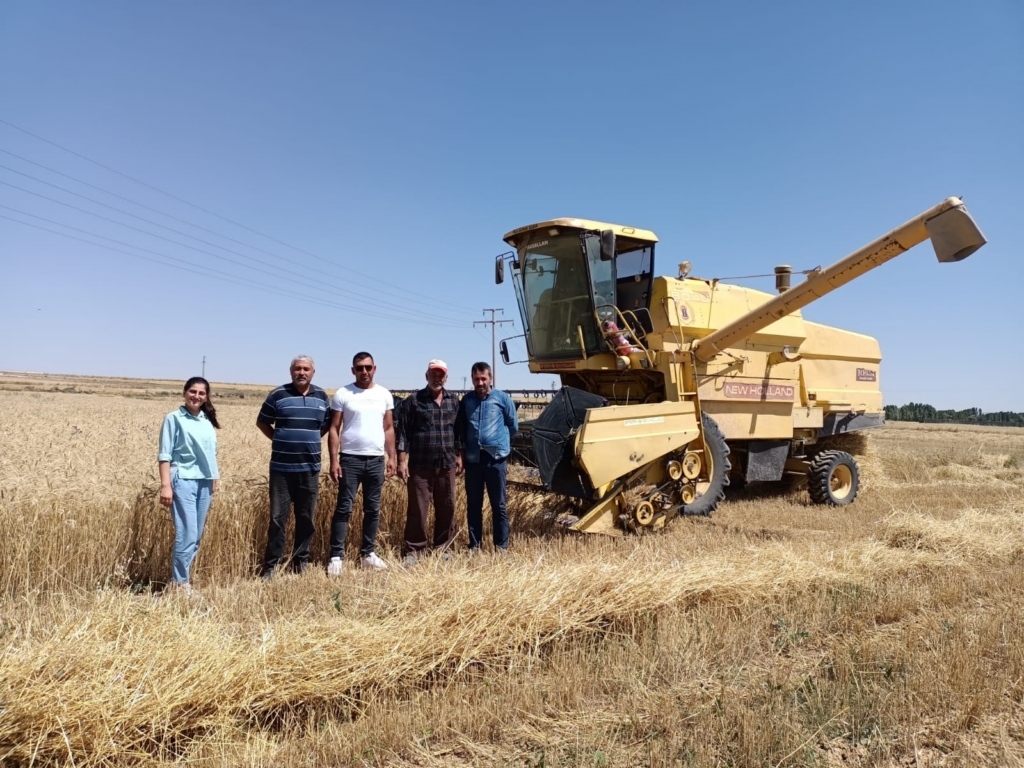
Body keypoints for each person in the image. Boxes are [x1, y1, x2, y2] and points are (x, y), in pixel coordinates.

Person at [257, 355, 331, 578]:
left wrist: (309, 440)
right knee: (277, 519)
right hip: (281, 469)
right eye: (297, 369)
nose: (302, 372)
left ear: (313, 373)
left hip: (309, 469)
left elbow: (326, 425)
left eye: (306, 369)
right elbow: (262, 422)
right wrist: (280, 439)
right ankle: (271, 566)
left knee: (306, 518)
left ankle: (300, 563)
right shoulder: (278, 395)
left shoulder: (322, 397)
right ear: (291, 372)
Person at [327, 352, 396, 574]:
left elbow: (388, 428)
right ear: (353, 370)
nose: (364, 372)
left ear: (374, 368)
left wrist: (391, 457)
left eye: (368, 367)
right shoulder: (343, 394)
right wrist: (334, 460)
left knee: (373, 509)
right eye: (359, 368)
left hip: (376, 459)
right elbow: (334, 428)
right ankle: (336, 556)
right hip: (350, 459)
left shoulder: (384, 394)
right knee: (344, 508)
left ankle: (368, 553)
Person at [395, 359, 462, 563]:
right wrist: (401, 460)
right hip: (420, 465)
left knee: (447, 506)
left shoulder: (453, 400)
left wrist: (459, 455)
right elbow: (403, 432)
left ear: (446, 377)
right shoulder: (414, 401)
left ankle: (444, 548)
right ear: (426, 376)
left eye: (440, 374)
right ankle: (414, 550)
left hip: (447, 464)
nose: (437, 378)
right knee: (418, 508)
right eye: (433, 374)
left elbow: (458, 431)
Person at [158, 376, 220, 590]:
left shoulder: (206, 420)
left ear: (206, 397)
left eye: (201, 393)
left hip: (205, 482)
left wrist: (214, 477)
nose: (196, 396)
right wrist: (166, 485)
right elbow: (165, 454)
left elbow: (211, 453)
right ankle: (179, 583)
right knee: (187, 533)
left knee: (197, 535)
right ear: (185, 393)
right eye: (193, 391)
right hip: (183, 480)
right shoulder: (173, 418)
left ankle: (178, 581)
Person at [455, 362, 518, 552]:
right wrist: (461, 455)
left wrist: (500, 443)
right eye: (476, 379)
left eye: (483, 378)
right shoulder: (467, 401)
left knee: (498, 505)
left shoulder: (502, 399)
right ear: (472, 379)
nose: (480, 382)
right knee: (473, 504)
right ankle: (474, 545)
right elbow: (462, 428)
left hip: (495, 459)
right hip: (473, 461)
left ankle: (501, 547)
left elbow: (512, 425)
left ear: (490, 378)